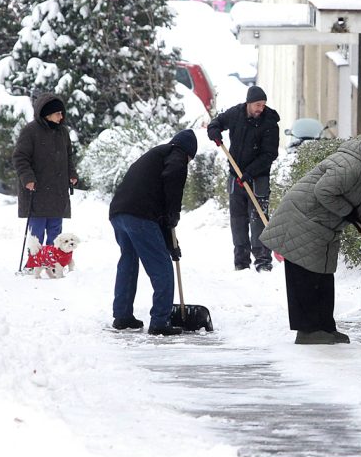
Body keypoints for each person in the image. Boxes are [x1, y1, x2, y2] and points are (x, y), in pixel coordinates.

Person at [260, 134, 361, 345]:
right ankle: (308, 331)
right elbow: (323, 191)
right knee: (306, 276)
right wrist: (347, 211)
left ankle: (325, 327)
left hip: (323, 225)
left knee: (324, 276)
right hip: (303, 217)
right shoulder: (352, 167)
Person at [108, 130, 197, 335]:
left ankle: (122, 317)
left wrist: (171, 242)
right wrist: (174, 213)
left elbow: (159, 209)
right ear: (188, 153)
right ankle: (160, 321)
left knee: (128, 263)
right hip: (139, 215)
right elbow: (172, 181)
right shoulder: (177, 156)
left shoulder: (157, 155)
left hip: (119, 213)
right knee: (162, 267)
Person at [207, 85, 280, 272]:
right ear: (248, 103)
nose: (260, 108)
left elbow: (269, 154)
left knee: (258, 218)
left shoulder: (269, 122)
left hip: (258, 178)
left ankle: (263, 260)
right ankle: (241, 262)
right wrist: (214, 131)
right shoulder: (236, 114)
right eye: (257, 104)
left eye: (263, 105)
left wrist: (249, 173)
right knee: (237, 219)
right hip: (235, 176)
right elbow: (217, 122)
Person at [12, 92, 79, 246]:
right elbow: (20, 157)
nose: (61, 117)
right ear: (47, 114)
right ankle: (34, 263)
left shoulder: (63, 132)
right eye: (57, 113)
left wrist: (72, 174)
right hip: (37, 191)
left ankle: (52, 264)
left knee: (56, 232)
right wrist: (27, 178)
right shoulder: (30, 131)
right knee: (37, 232)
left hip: (58, 192)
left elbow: (68, 157)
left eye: (62, 113)